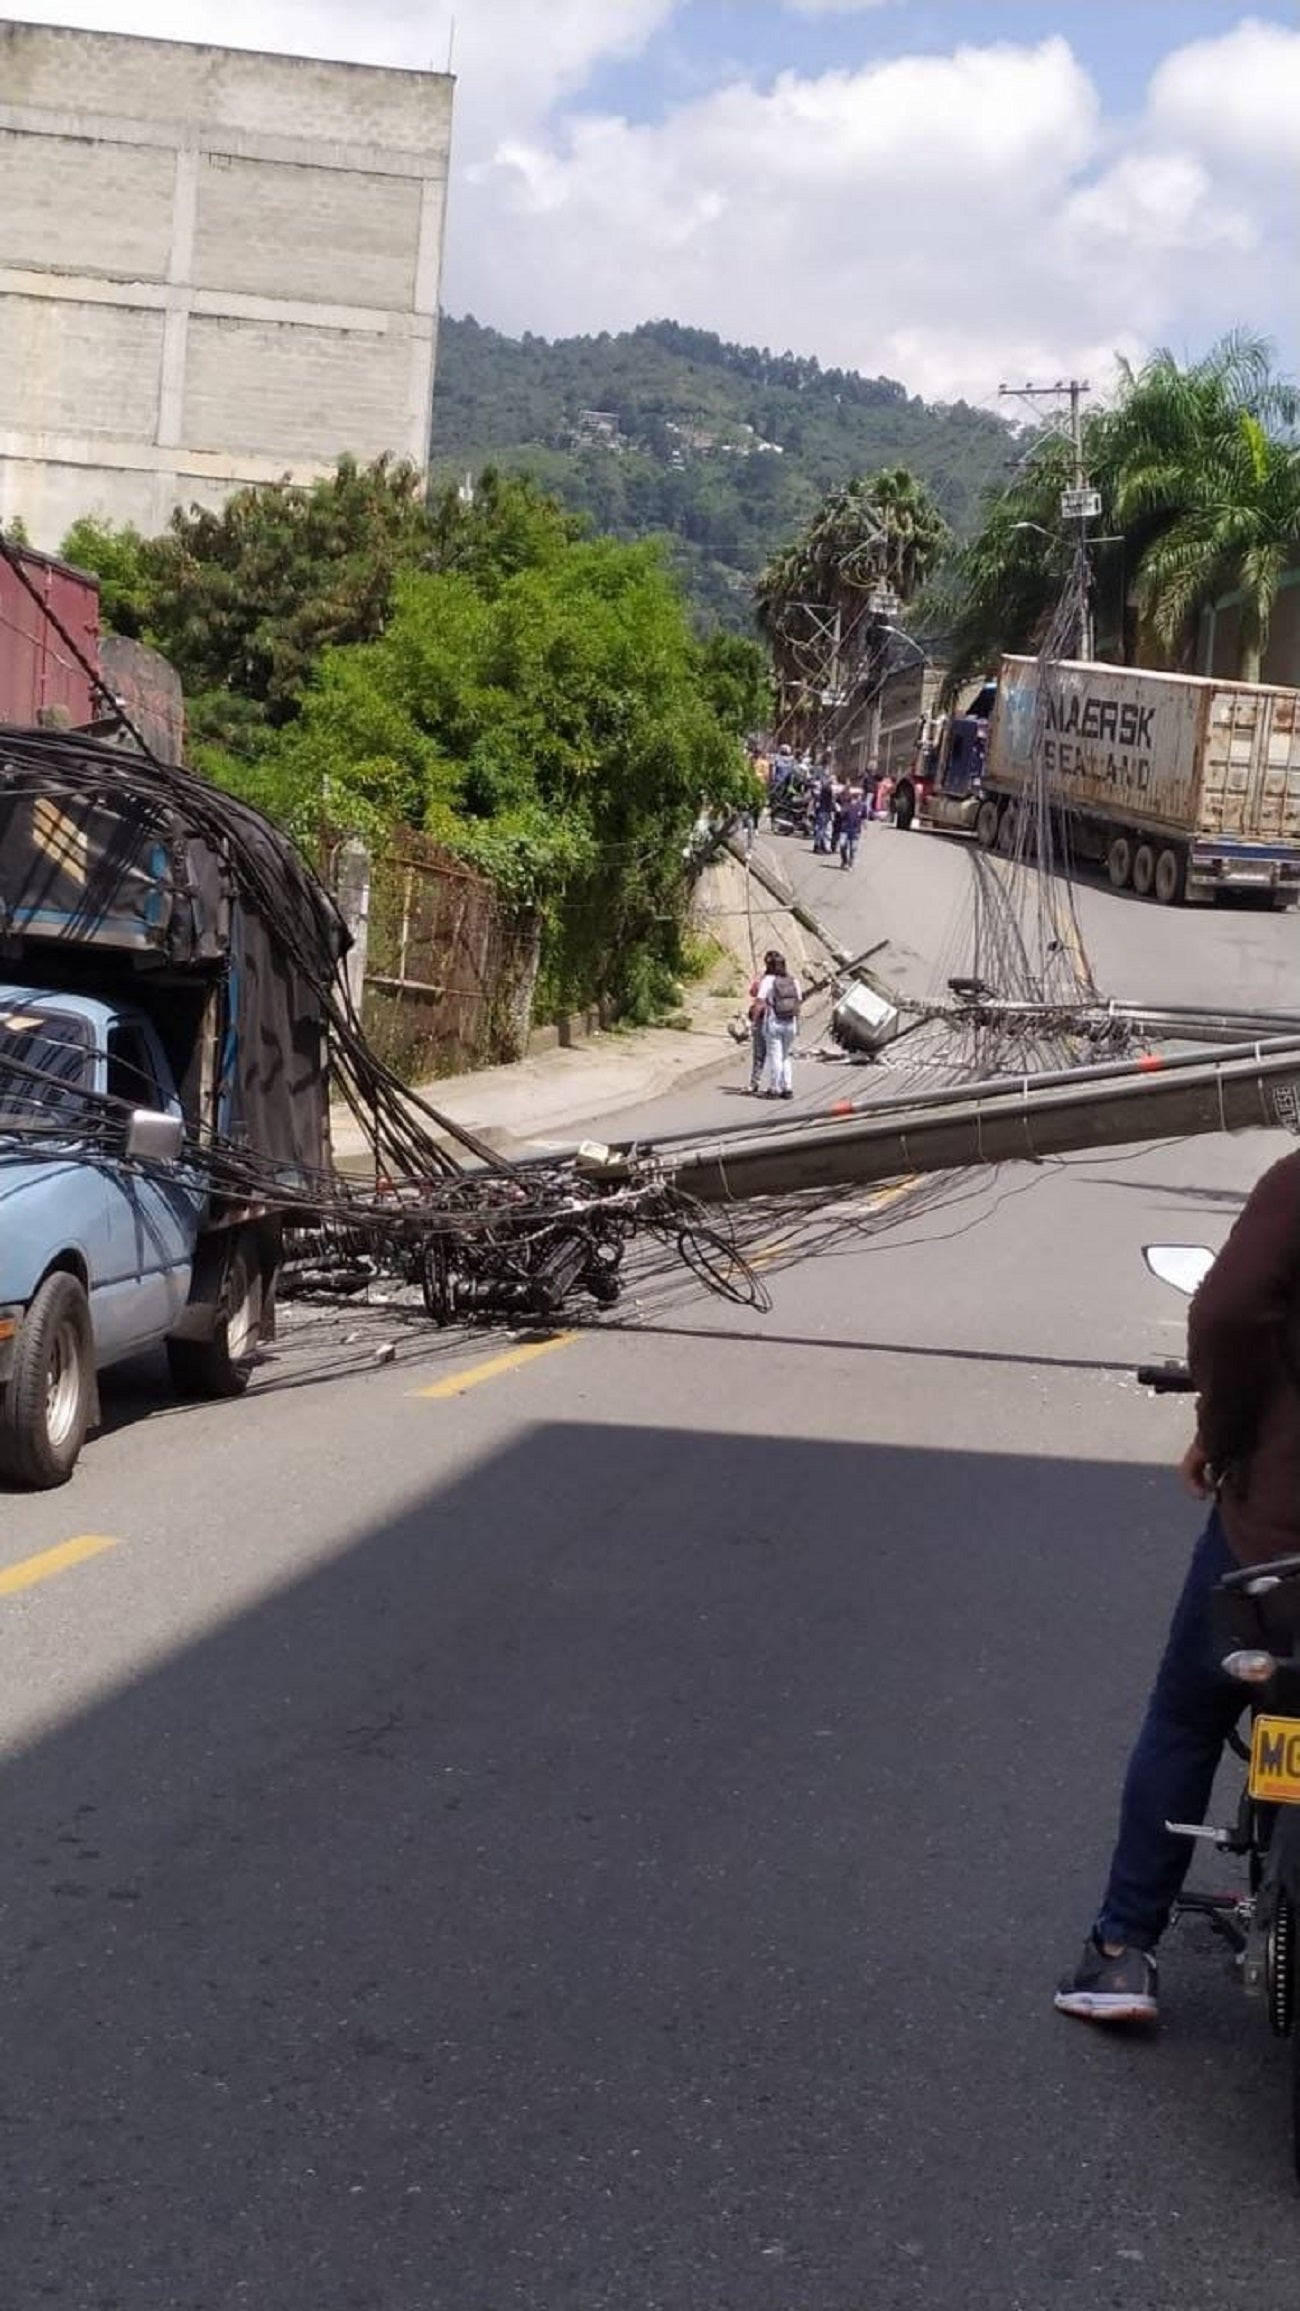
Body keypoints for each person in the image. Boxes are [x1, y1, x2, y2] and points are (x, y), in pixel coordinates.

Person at [1055, 1148, 1300, 2025]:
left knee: (1189, 1715)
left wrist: (1223, 1433)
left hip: (1276, 1536)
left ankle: (1122, 1950)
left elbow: (1230, 1309)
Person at [756, 952, 802, 1100]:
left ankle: (774, 1088)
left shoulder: (768, 981)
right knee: (785, 1056)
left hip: (773, 1022)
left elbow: (760, 1002)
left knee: (774, 1056)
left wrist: (754, 1021)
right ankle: (787, 1088)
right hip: (790, 1022)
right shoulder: (793, 980)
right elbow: (799, 1001)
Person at [746, 948, 781, 1094]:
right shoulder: (785, 979)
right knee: (777, 1055)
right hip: (781, 1019)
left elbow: (755, 995)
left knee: (759, 1053)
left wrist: (753, 1022)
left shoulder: (766, 980)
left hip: (763, 1019)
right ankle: (779, 1085)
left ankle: (754, 1083)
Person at [838, 788, 865, 869]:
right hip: (845, 829)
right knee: (842, 845)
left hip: (855, 830)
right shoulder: (846, 805)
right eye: (858, 796)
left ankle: (851, 863)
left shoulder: (862, 806)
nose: (860, 797)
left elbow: (863, 817)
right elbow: (841, 815)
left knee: (853, 848)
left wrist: (864, 826)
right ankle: (844, 860)